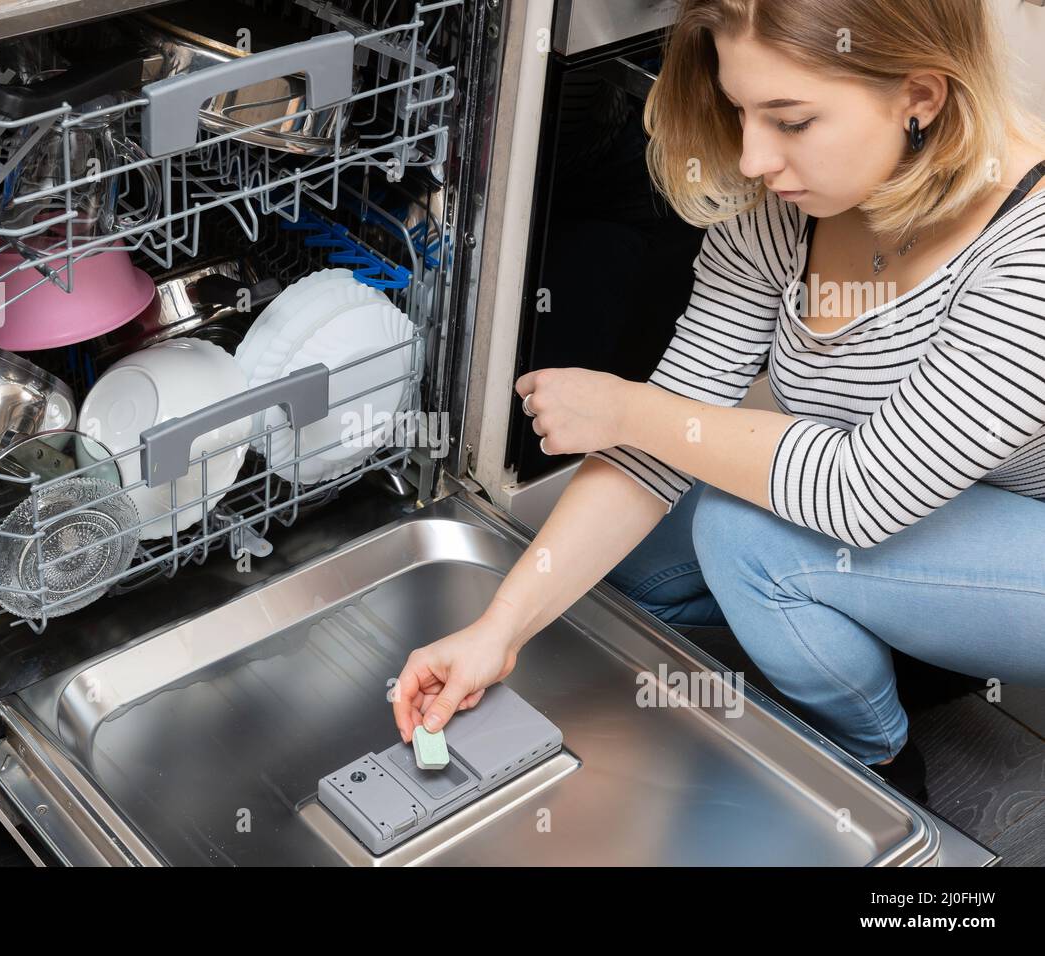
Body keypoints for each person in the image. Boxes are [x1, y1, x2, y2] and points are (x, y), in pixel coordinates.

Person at [392, 0, 1045, 804]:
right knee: (621, 560)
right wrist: (499, 632)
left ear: (921, 96)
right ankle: (904, 632)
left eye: (792, 120)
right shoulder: (794, 205)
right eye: (742, 111)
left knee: (747, 537)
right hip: (929, 497)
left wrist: (629, 411)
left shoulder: (1031, 252)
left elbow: (862, 493)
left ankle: (875, 762)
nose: (754, 156)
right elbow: (680, 411)